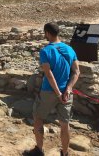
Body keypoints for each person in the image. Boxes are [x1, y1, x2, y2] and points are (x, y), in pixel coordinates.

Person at [24, 23, 80, 156]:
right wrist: (69, 89)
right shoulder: (70, 49)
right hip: (67, 93)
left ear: (47, 33)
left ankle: (39, 150)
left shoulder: (46, 51)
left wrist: (58, 93)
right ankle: (65, 153)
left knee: (38, 118)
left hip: (49, 91)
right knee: (64, 124)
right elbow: (77, 71)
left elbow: (49, 74)